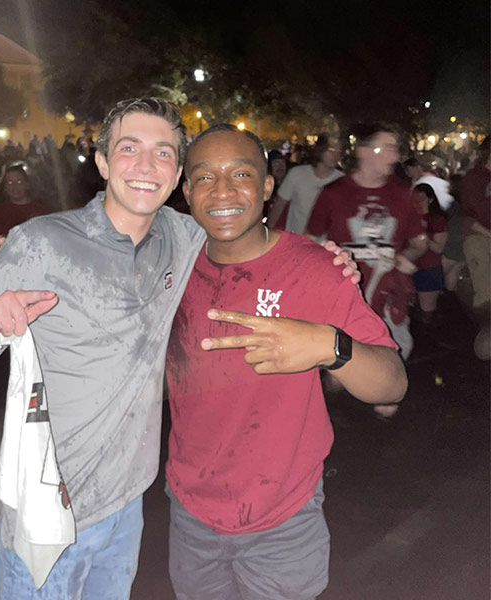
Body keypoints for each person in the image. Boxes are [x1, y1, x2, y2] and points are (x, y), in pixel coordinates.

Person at [0, 98, 357, 599]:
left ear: (178, 173)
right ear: (104, 163)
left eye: (162, 153)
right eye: (129, 149)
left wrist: (326, 257)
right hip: (47, 514)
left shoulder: (183, 235)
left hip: (126, 509)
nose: (144, 165)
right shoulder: (39, 242)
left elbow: (243, 229)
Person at [165, 124, 407, 600]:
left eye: (241, 173)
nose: (224, 191)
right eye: (205, 177)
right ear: (186, 190)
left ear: (268, 185)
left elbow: (392, 386)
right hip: (189, 513)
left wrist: (328, 345)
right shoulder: (167, 265)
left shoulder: (313, 269)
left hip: (283, 517)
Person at [307, 123, 426, 363]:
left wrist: (407, 257)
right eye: (388, 148)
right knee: (339, 370)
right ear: (363, 151)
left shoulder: (405, 193)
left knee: (392, 360)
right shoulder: (333, 193)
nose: (395, 156)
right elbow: (311, 241)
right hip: (345, 296)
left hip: (389, 295)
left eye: (395, 149)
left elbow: (419, 242)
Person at [267, 135, 343, 234]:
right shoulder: (297, 174)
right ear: (320, 151)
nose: (335, 155)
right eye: (331, 150)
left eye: (338, 152)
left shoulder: (342, 180)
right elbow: (279, 206)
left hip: (326, 245)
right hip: (296, 241)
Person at [460, 136, 490, 360]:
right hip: (480, 236)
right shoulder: (474, 179)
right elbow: (469, 217)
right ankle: (487, 319)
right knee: (477, 250)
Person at [0, 164, 50, 254]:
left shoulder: (41, 209)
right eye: (10, 182)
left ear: (27, 184)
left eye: (19, 182)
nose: (15, 187)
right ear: (5, 187)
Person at [412, 183, 448, 323]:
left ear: (430, 199)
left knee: (427, 311)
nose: (418, 201)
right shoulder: (410, 219)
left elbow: (439, 248)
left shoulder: (436, 219)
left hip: (428, 269)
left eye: (422, 198)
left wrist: (423, 237)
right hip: (410, 268)